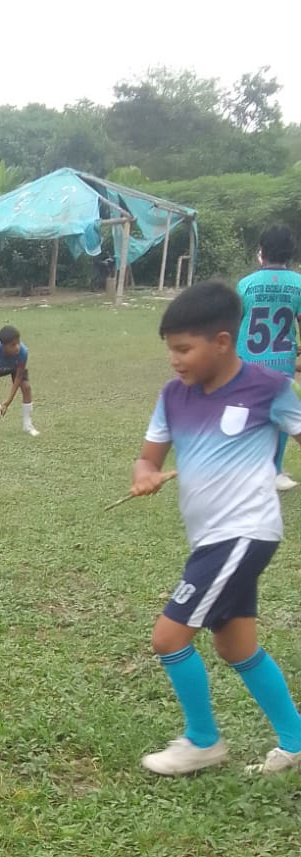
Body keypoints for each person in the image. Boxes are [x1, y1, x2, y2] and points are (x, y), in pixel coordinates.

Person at [131, 280, 301, 776]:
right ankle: (295, 740)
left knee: (168, 638)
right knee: (235, 645)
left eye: (184, 349)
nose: (174, 360)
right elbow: (148, 458)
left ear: (222, 341)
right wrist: (145, 476)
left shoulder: (268, 388)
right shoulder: (172, 397)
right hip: (210, 539)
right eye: (170, 349)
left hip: (244, 532)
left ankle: (202, 740)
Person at [236, 223, 301, 492]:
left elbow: (234, 323)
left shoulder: (245, 284)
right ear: (291, 252)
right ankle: (273, 470)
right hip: (282, 362)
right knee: (282, 416)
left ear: (261, 251)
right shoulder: (298, 284)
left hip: (247, 362)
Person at [0, 325, 38, 436]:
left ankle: (28, 425)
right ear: (3, 346)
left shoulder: (23, 353)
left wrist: (7, 402)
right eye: (13, 345)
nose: (17, 347)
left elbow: (18, 377)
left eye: (18, 343)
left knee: (26, 387)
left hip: (15, 368)